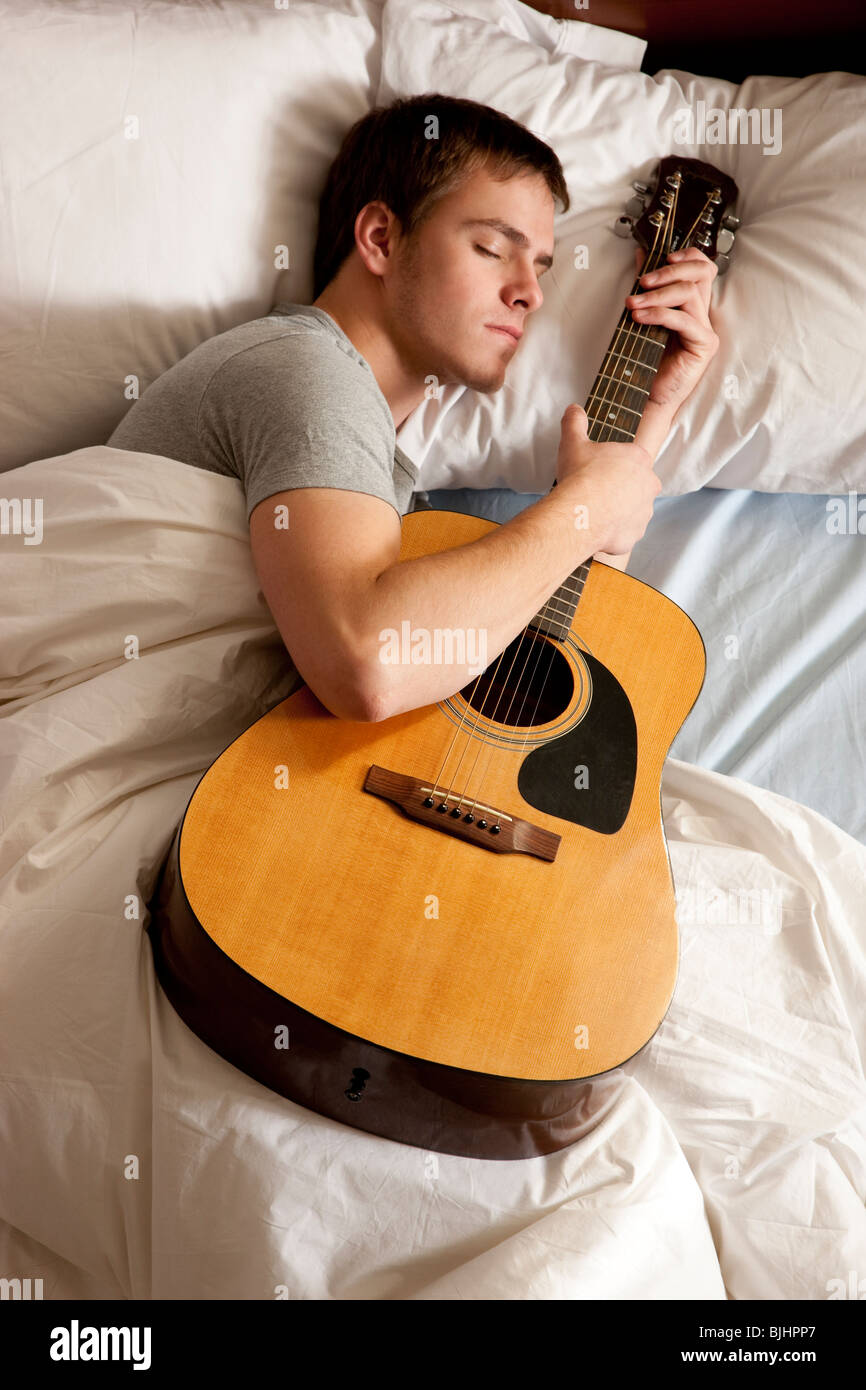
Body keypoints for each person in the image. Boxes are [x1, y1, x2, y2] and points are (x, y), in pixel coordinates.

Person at [108, 93, 719, 724]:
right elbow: (371, 666)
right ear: (381, 239)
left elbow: (516, 658)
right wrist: (585, 512)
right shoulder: (305, 370)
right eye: (491, 248)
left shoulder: (376, 450)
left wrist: (653, 414)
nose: (530, 293)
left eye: (541, 267)